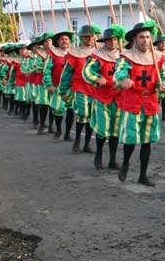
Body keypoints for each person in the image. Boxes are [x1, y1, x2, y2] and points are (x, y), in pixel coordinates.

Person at [113, 20, 165, 186]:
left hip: (150, 103)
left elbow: (162, 77)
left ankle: (143, 175)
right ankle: (125, 163)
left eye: (148, 37)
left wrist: (162, 85)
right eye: (142, 37)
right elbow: (118, 74)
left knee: (146, 141)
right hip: (132, 103)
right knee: (130, 139)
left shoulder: (157, 58)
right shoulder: (126, 57)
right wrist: (123, 79)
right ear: (135, 39)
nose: (145, 40)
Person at [83, 25, 125, 170]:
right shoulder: (97, 56)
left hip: (119, 99)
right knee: (103, 129)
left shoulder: (124, 56)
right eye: (109, 40)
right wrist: (97, 78)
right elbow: (86, 72)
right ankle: (99, 154)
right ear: (104, 41)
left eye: (114, 39)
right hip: (102, 98)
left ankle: (112, 160)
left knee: (115, 130)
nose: (112, 42)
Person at [59, 25, 101, 153]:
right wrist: (63, 90)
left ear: (94, 37)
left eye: (90, 36)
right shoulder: (74, 53)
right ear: (81, 38)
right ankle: (77, 140)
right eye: (85, 37)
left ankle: (87, 144)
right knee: (83, 114)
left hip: (95, 90)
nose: (88, 39)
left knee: (92, 117)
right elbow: (66, 73)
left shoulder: (99, 53)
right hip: (80, 88)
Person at [44, 31, 74, 141]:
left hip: (71, 87)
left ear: (70, 41)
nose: (64, 41)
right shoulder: (52, 54)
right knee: (58, 109)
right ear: (58, 42)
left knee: (70, 110)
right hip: (57, 87)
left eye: (66, 39)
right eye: (62, 39)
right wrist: (49, 84)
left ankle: (67, 133)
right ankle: (58, 130)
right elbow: (46, 70)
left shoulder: (74, 54)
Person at [153, 33, 165, 121]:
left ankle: (164, 115)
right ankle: (154, 113)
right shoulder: (154, 54)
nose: (163, 44)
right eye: (161, 43)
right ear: (157, 44)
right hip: (157, 76)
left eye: (164, 42)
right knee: (158, 96)